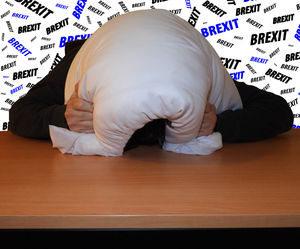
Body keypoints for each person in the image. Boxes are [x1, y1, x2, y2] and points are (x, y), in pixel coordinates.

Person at [8, 39, 294, 151]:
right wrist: (64, 117)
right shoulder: (84, 63)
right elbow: (19, 114)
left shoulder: (189, 67)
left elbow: (279, 111)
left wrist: (219, 123)